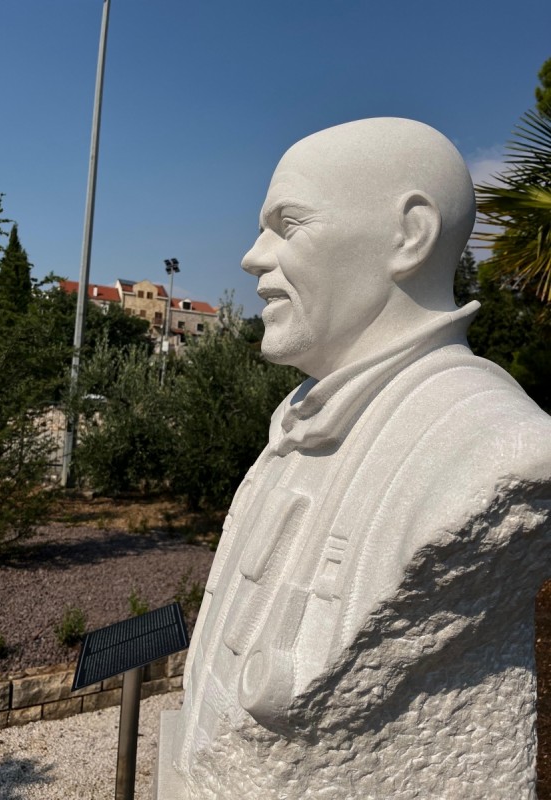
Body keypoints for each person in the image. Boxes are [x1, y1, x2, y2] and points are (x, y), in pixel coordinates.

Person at [154, 119, 551, 800]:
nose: (252, 257)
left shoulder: (499, 450)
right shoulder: (298, 423)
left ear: (410, 236)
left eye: (288, 224)